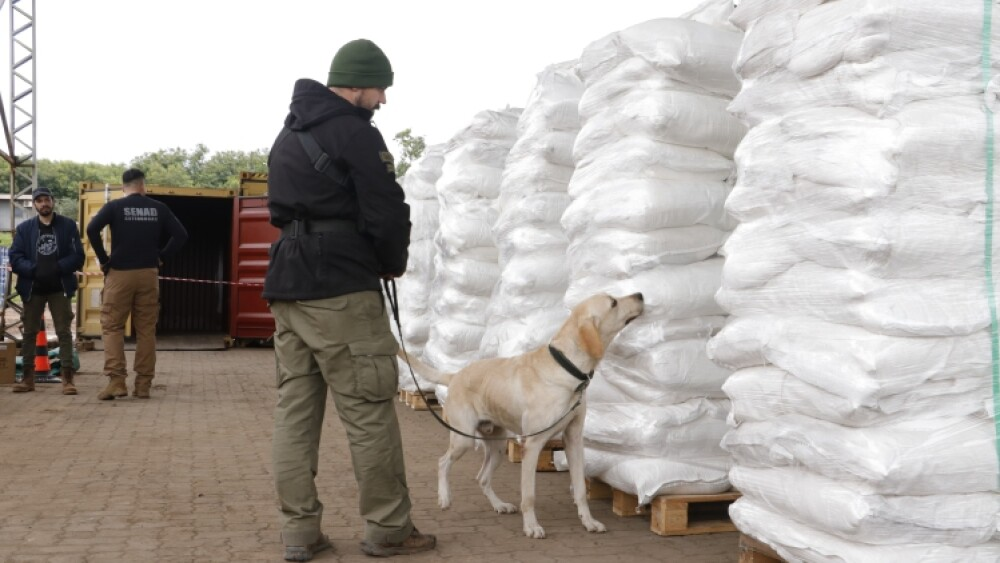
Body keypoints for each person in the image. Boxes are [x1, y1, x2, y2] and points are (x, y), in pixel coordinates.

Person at [264, 38, 435, 561]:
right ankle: (387, 529)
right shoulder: (356, 132)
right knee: (368, 411)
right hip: (340, 284)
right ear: (357, 85)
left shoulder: (287, 135)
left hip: (288, 283)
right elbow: (386, 207)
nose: (383, 99)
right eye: (380, 88)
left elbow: (278, 209)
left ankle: (300, 533)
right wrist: (391, 260)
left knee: (295, 412)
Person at [85, 168, 188, 400]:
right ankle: (143, 385)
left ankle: (117, 381)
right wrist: (161, 257)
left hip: (119, 273)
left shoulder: (114, 207)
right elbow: (181, 235)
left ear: (124, 187)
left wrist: (104, 260)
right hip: (148, 274)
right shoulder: (159, 208)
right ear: (143, 186)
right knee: (146, 330)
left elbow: (92, 229)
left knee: (112, 326)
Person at [9, 186, 86, 394]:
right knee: (29, 333)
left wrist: (58, 267)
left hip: (59, 287)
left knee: (64, 332)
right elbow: (15, 257)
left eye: (47, 200)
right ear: (34, 204)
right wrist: (34, 270)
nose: (44, 203)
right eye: (39, 200)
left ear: (53, 201)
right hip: (32, 288)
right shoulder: (25, 229)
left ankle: (68, 380)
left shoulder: (68, 226)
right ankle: (27, 379)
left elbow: (78, 256)